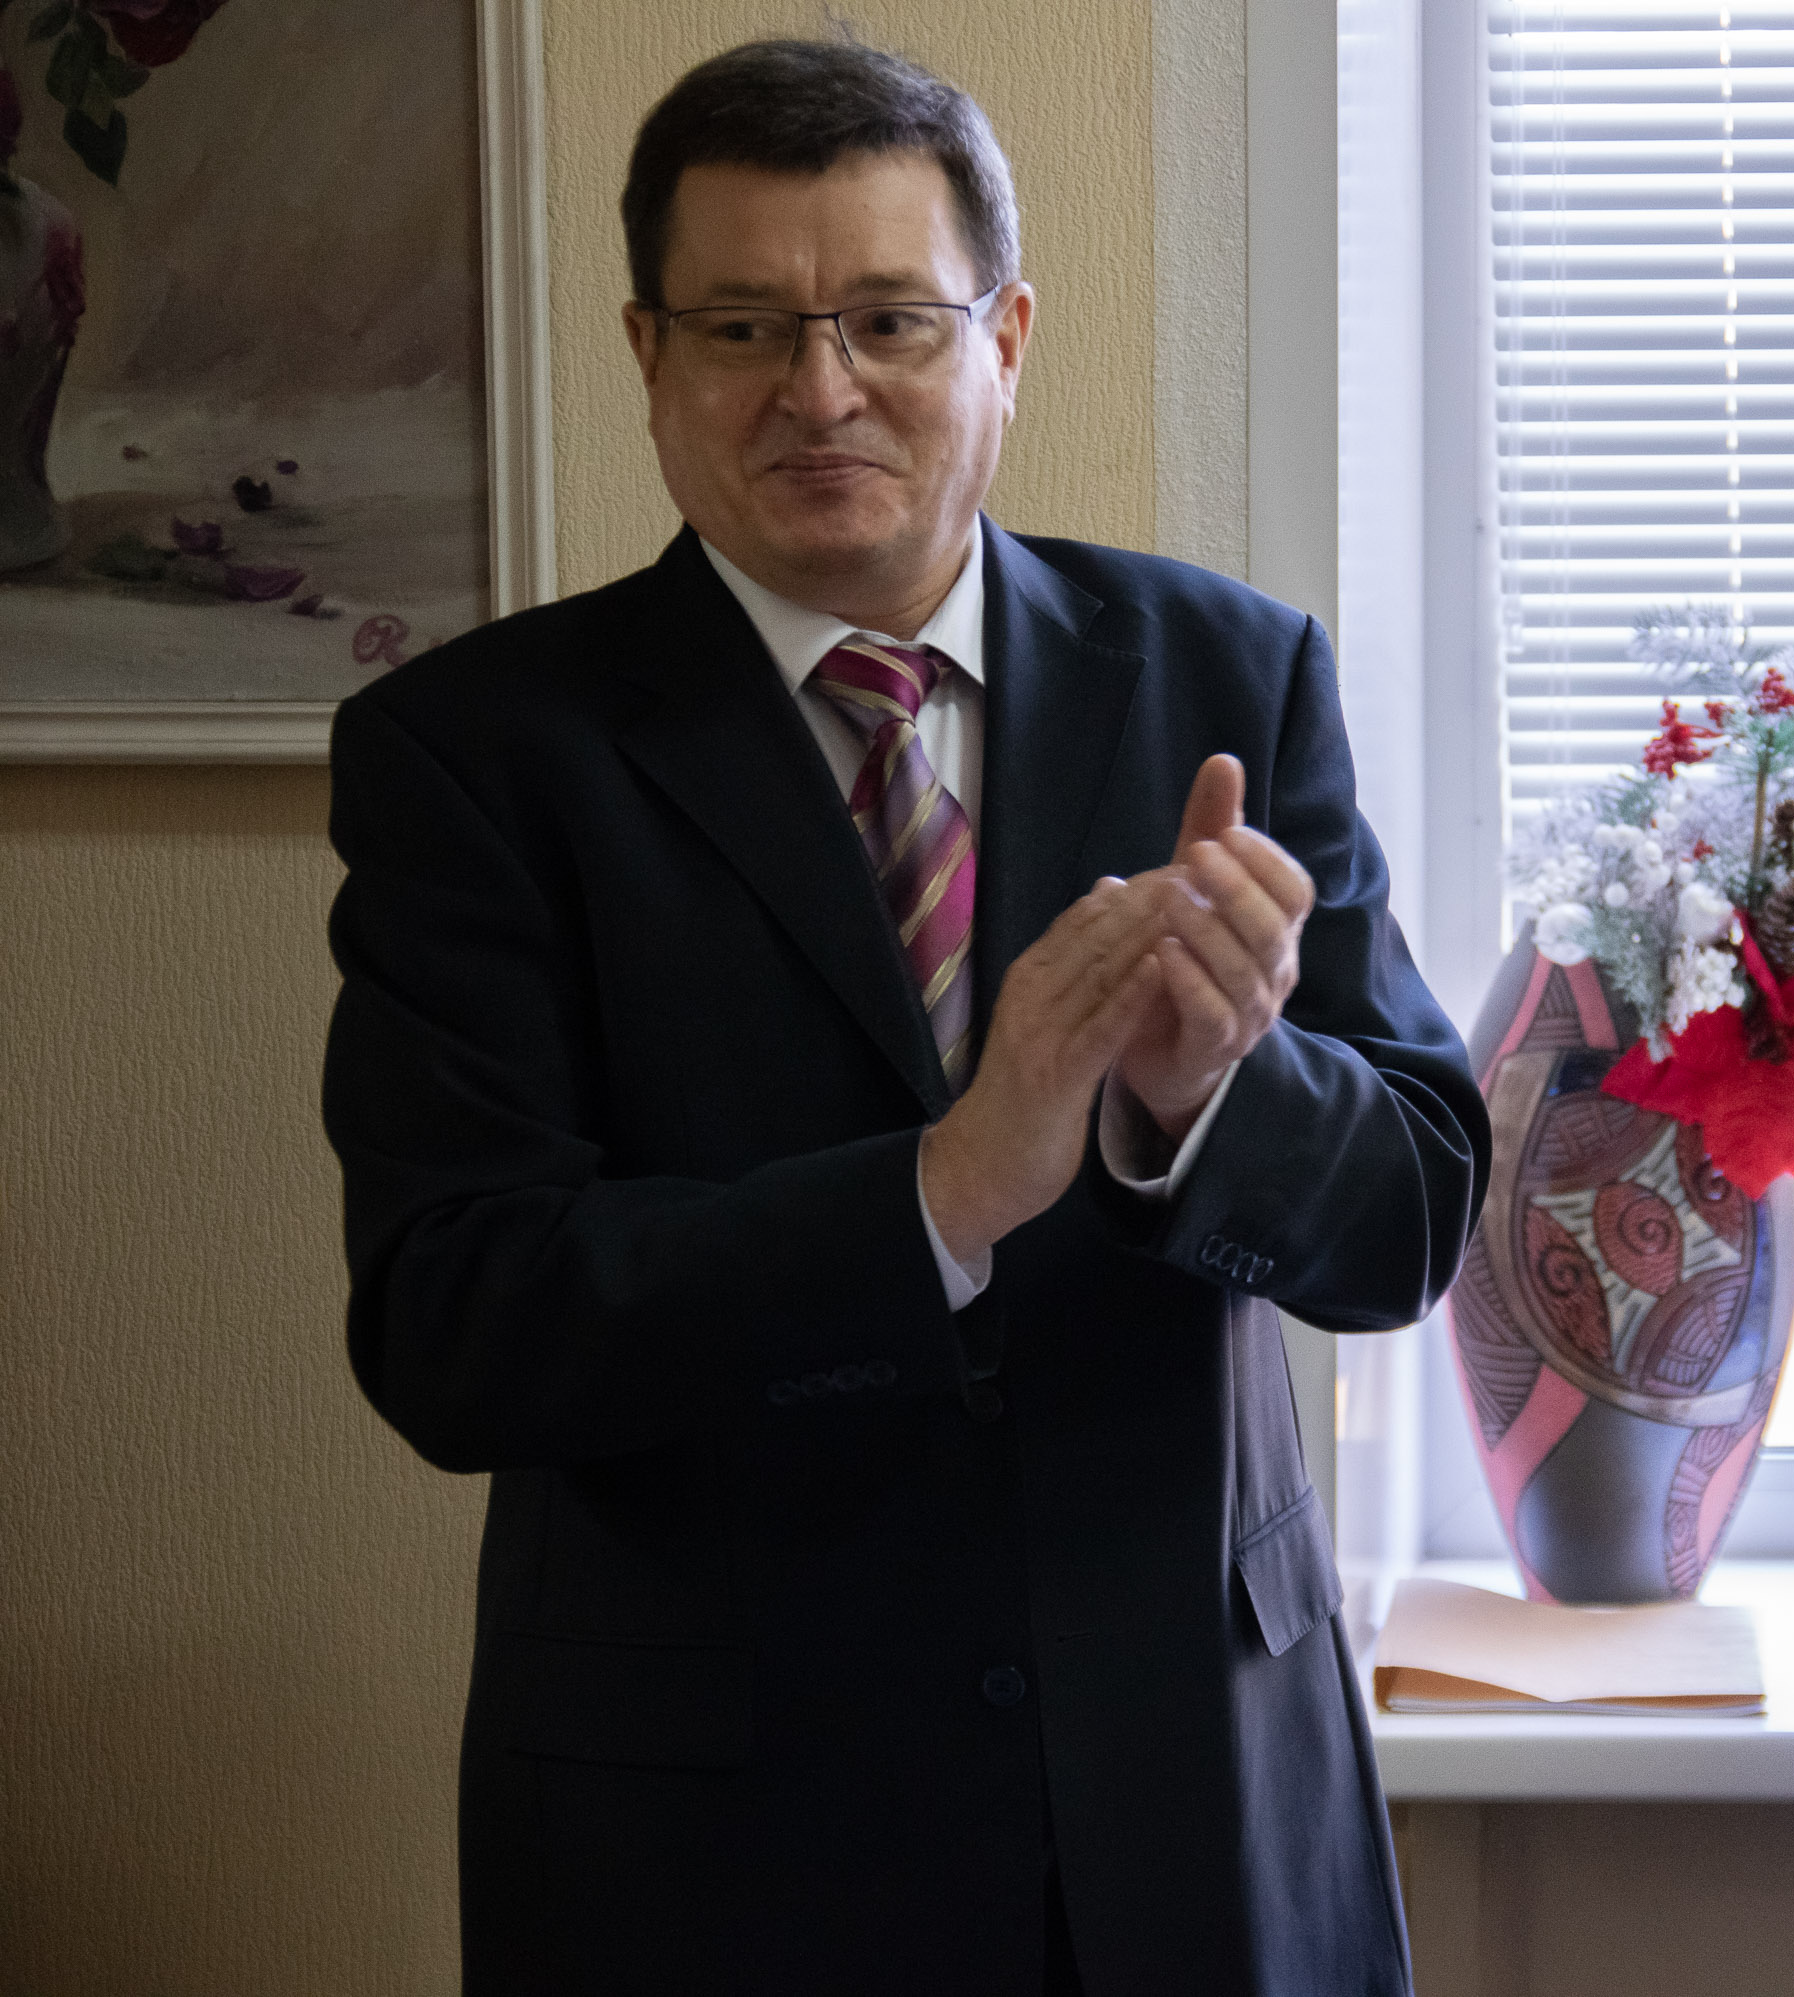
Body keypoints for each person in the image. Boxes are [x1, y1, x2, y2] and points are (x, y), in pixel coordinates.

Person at [320, 40, 1486, 1996]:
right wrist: (936, 1195)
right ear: (648, 354)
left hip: (1193, 1813)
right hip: (711, 1854)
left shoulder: (1229, 673)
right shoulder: (477, 756)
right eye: (743, 327)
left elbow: (1416, 1223)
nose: (819, 388)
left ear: (1004, 338)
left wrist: (1208, 1100)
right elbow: (458, 1324)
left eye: (887, 319)